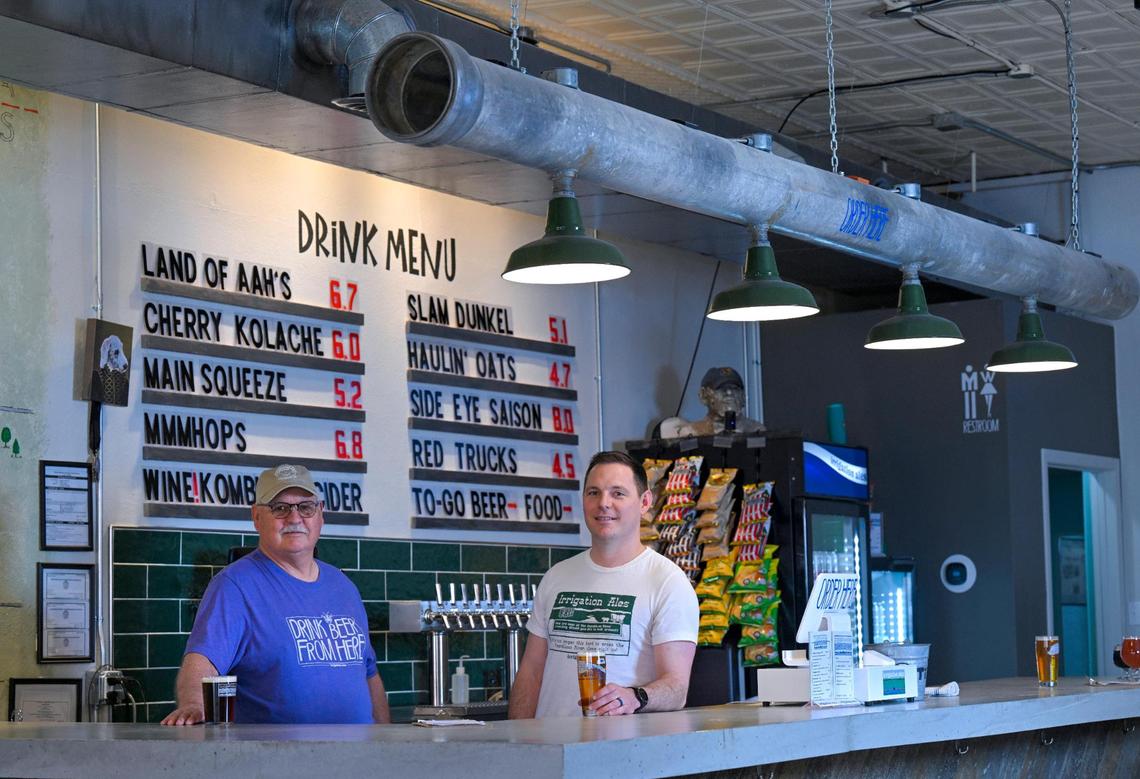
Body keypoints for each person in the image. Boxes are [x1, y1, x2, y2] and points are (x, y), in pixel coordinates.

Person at [161, 464, 389, 725]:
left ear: (320, 515)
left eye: (305, 507)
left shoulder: (344, 586)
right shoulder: (234, 586)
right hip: (277, 760)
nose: (294, 518)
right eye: (280, 508)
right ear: (257, 517)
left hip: (359, 759)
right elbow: (202, 663)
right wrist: (194, 705)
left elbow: (369, 674)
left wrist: (387, 743)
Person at [508, 451, 698, 718]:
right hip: (552, 750)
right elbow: (531, 673)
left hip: (622, 753)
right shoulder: (557, 576)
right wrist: (519, 741)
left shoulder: (667, 582)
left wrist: (635, 696)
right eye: (593, 493)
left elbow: (677, 688)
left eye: (618, 493)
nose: (603, 503)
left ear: (644, 502)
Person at [658, 366, 764, 438]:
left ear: (743, 396)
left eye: (734, 388)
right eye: (721, 389)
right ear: (704, 396)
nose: (729, 393)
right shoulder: (692, 432)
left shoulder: (756, 430)